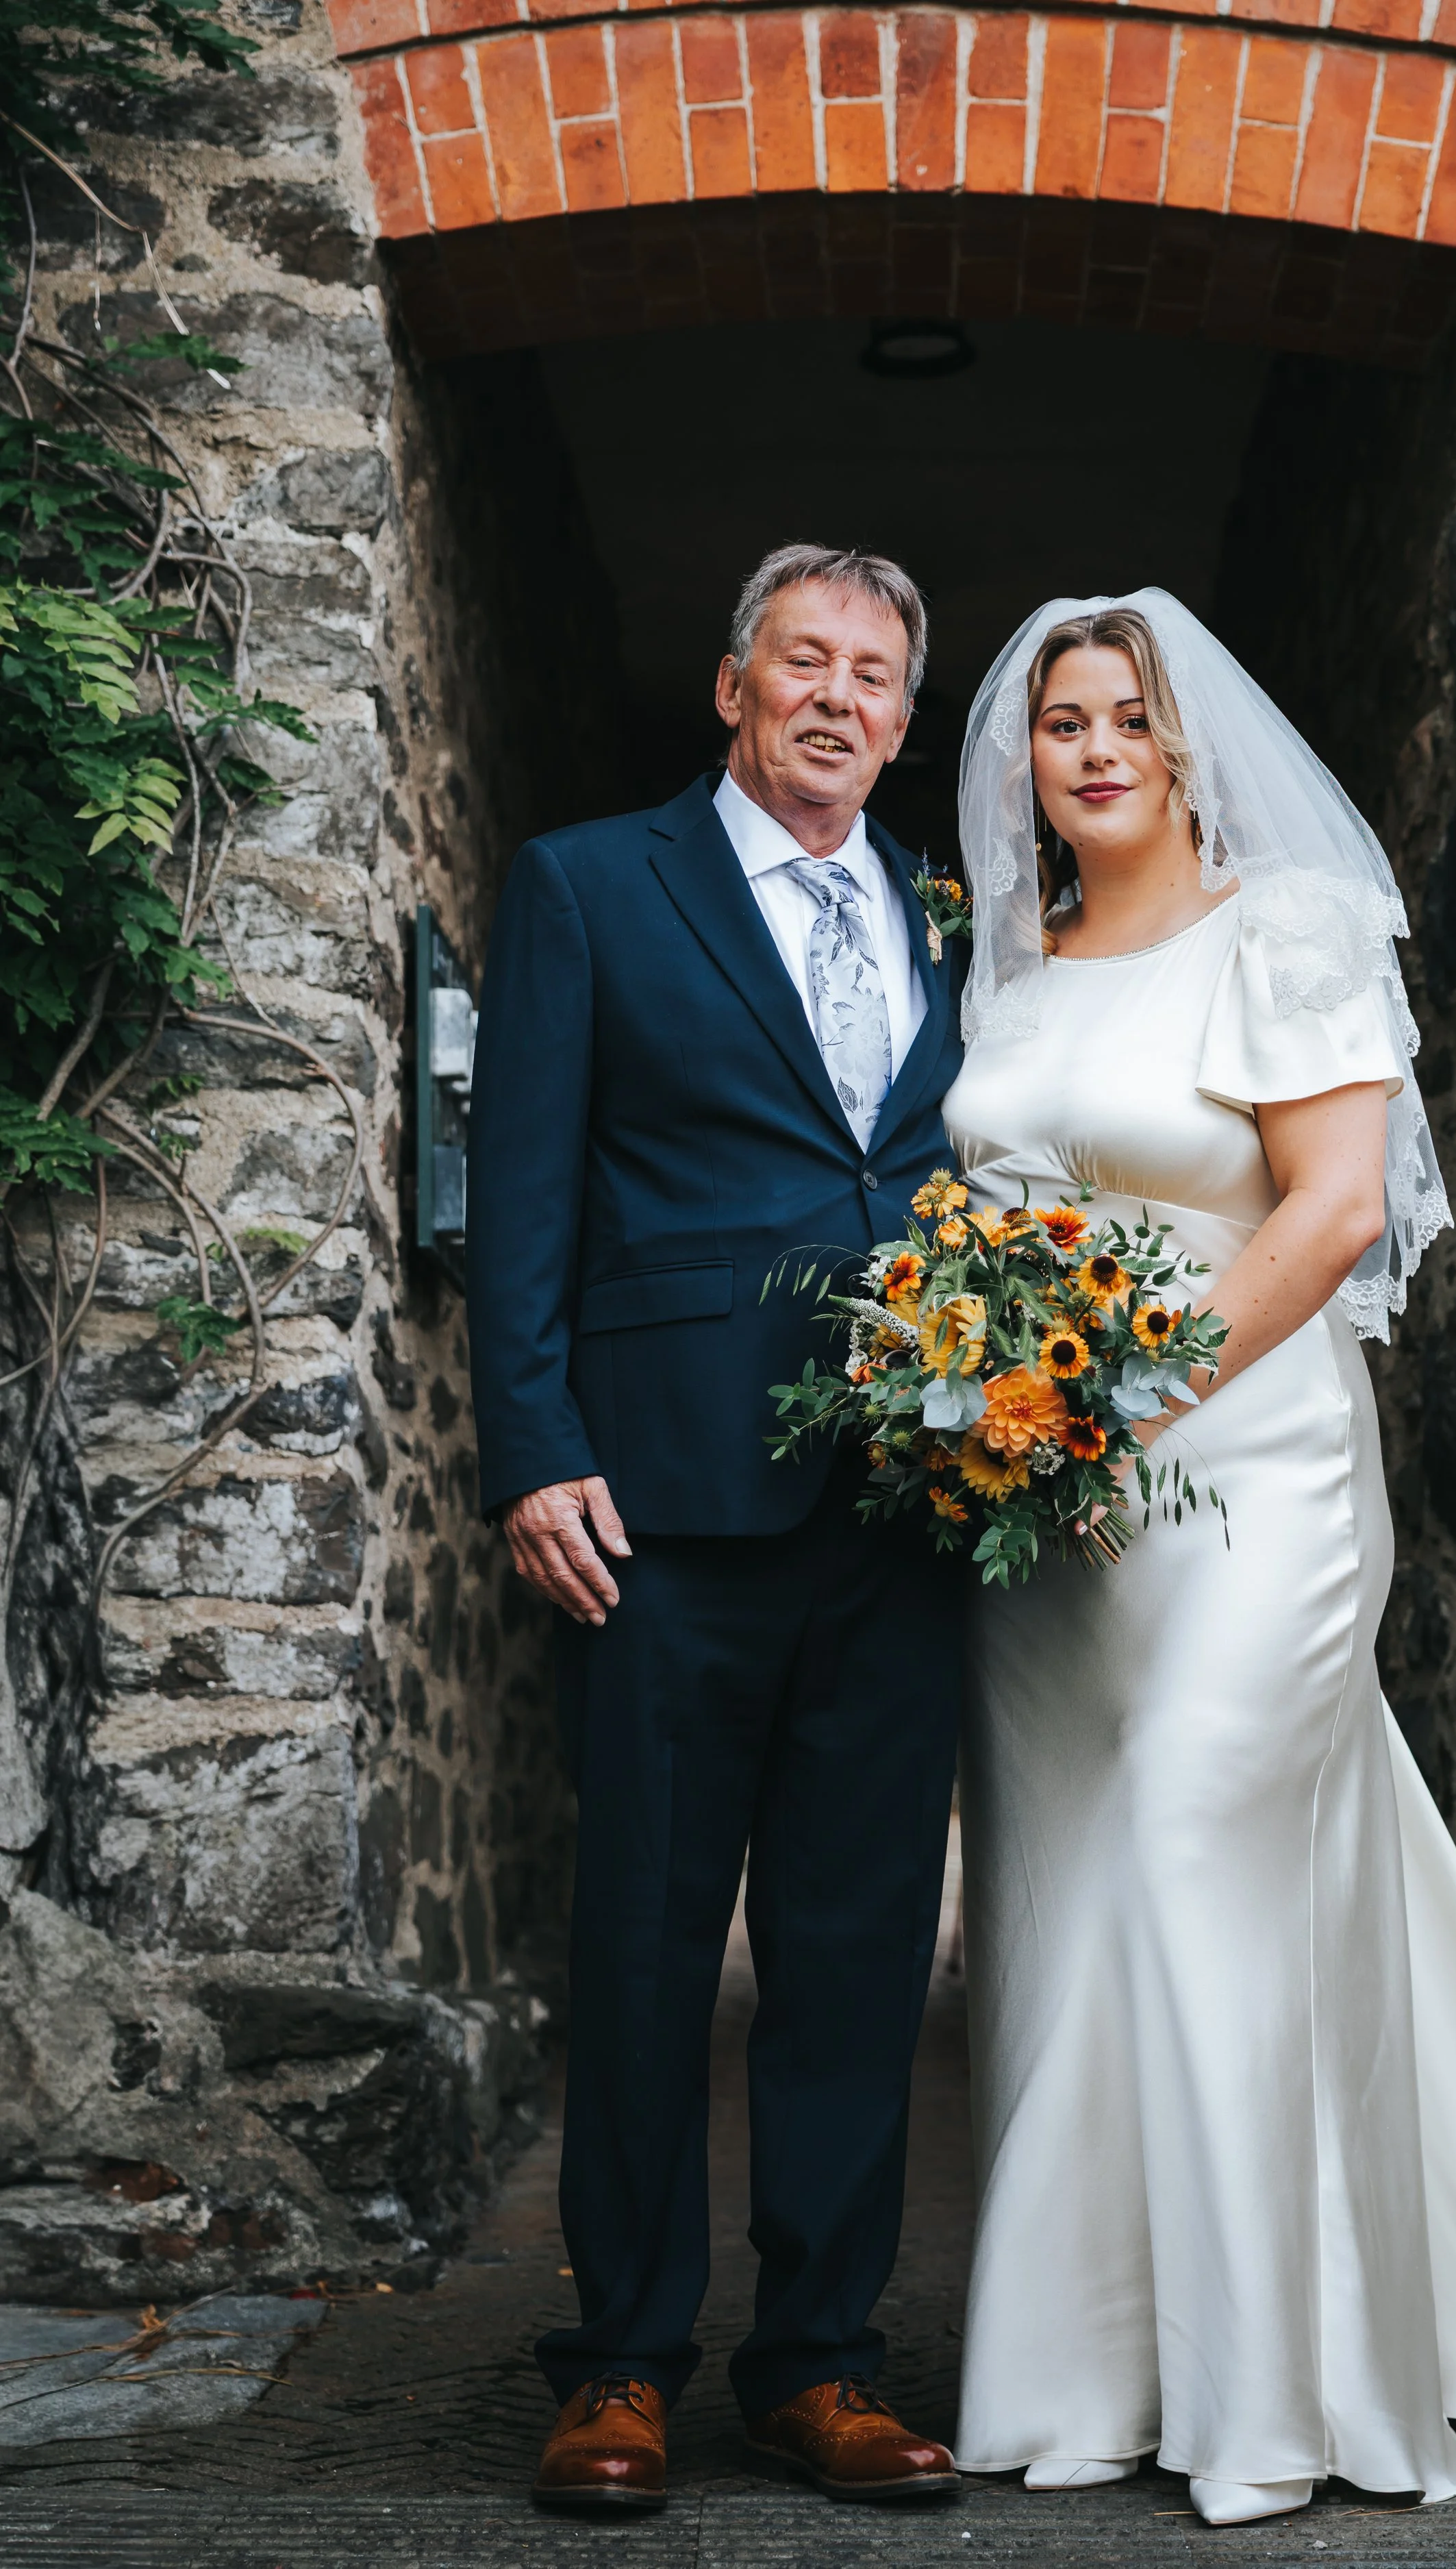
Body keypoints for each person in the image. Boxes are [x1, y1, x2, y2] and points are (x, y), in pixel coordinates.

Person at [942, 591, 1456, 2526]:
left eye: (1130, 714)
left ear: (1191, 745)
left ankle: (1270, 2390)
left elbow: (1335, 1208)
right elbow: (989, 1223)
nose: (1097, 747)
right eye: (1061, 722)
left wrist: (1113, 1393)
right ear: (1023, 761)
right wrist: (990, 1401)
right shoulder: (1017, 974)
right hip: (1061, 1525)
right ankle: (1084, 2371)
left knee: (1201, 1831)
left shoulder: (1282, 932)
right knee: (1068, 1883)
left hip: (1254, 1469)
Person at [465, 545, 968, 2514]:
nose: (836, 696)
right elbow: (519, 1188)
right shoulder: (593, 883)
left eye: (872, 675)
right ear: (731, 688)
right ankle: (619, 2361)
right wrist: (531, 1443)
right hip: (658, 1500)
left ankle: (820, 2360)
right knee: (648, 1941)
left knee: (853, 1951)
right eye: (802, 662)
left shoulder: (948, 908)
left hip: (910, 1499)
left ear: (904, 720)